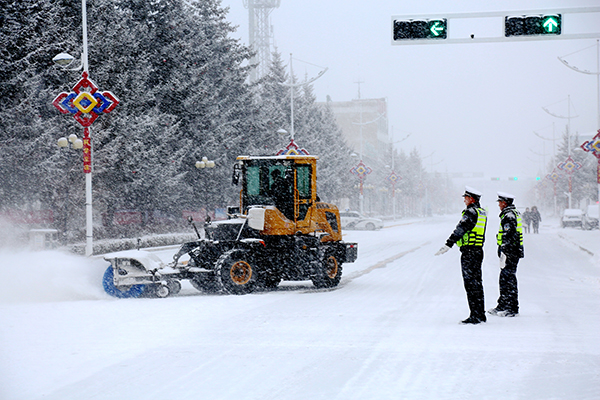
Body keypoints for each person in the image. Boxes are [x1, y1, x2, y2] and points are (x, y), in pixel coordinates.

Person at [435, 186, 488, 325]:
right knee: (477, 284)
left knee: (470, 285)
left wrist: (448, 244)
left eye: (465, 197)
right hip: (477, 251)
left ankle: (475, 316)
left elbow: (460, 229)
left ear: (471, 199)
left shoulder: (470, 212)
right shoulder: (481, 212)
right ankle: (480, 314)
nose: (464, 200)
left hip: (469, 252)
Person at [488, 192, 524, 318]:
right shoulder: (511, 214)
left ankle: (512, 308)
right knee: (505, 279)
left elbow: (510, 236)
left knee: (508, 280)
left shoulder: (509, 216)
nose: (498, 204)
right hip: (511, 251)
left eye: (500, 202)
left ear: (505, 202)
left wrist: (504, 250)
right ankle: (503, 304)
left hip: (510, 252)